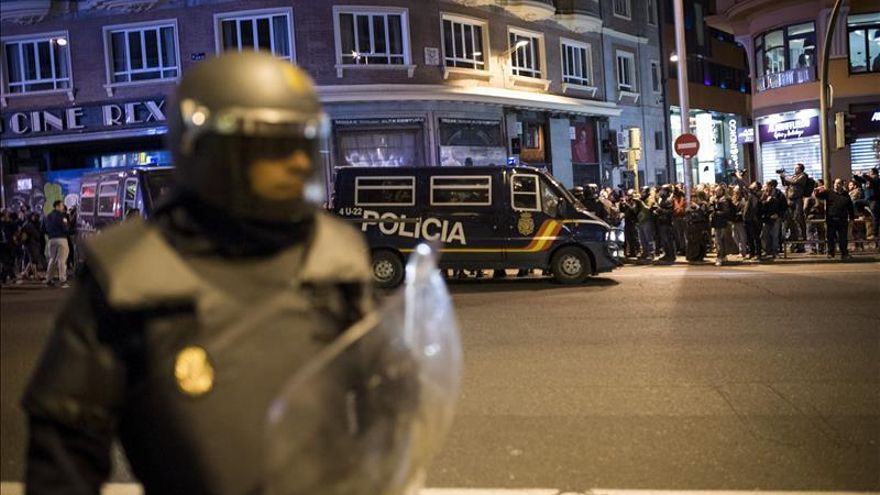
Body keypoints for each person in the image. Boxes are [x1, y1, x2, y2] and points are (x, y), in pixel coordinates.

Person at [23, 52, 452, 495]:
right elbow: (65, 443)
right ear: (208, 151)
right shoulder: (131, 273)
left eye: (302, 143)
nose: (298, 163)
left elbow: (388, 387)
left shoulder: (334, 256)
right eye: (274, 147)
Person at [816, 178, 856, 259]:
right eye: (835, 183)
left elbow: (850, 207)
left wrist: (852, 218)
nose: (836, 185)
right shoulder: (829, 192)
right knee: (830, 237)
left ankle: (844, 254)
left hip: (842, 219)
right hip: (831, 219)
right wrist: (817, 191)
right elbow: (819, 196)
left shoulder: (846, 194)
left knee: (843, 238)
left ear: (842, 185)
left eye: (838, 183)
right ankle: (831, 253)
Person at [779, 163, 810, 252]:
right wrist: (782, 177)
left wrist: (785, 178)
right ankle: (794, 240)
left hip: (798, 200)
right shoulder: (793, 176)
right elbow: (785, 184)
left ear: (801, 169)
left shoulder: (803, 176)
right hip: (790, 200)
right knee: (790, 220)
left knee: (798, 219)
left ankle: (801, 240)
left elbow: (795, 182)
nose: (795, 170)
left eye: (796, 168)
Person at [42, 200, 70, 287]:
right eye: (62, 205)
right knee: (62, 261)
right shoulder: (62, 216)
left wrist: (51, 233)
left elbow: (43, 229)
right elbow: (66, 229)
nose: (63, 207)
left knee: (52, 259)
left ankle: (48, 279)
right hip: (61, 239)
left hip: (51, 240)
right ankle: (63, 281)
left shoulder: (47, 216)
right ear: (57, 206)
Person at [760, 180, 786, 259]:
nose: (766, 187)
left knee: (775, 235)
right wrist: (766, 201)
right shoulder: (764, 194)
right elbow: (761, 204)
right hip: (766, 217)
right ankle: (766, 250)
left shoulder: (779, 194)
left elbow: (784, 206)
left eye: (768, 185)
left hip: (776, 217)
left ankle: (775, 252)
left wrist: (778, 214)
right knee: (764, 235)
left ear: (772, 186)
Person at [709, 185, 734, 266]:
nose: (716, 192)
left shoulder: (724, 200)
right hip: (718, 222)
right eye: (715, 191)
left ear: (721, 191)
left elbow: (726, 212)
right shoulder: (716, 199)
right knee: (720, 240)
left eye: (717, 191)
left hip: (722, 222)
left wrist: (715, 212)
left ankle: (720, 257)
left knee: (719, 241)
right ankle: (723, 256)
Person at [654, 185, 676, 263]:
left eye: (662, 190)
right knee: (664, 240)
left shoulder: (668, 200)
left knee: (668, 240)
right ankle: (667, 254)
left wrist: (660, 210)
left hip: (667, 223)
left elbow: (670, 212)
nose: (660, 192)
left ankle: (671, 255)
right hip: (662, 222)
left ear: (666, 192)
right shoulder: (662, 200)